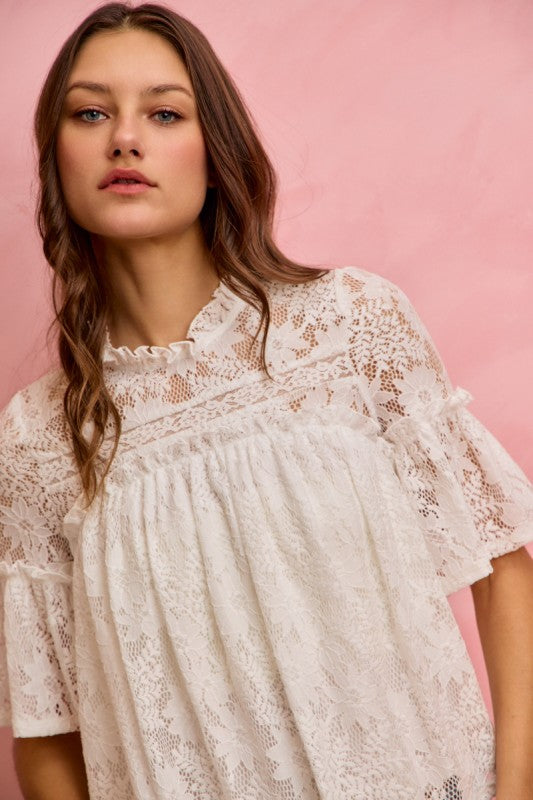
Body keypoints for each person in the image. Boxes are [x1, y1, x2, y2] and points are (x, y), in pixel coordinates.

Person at [0, 3, 532, 799]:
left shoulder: (351, 323)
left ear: (216, 153)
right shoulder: (36, 439)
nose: (124, 138)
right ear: (58, 159)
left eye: (164, 111)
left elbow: (501, 564)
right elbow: (47, 726)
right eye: (90, 112)